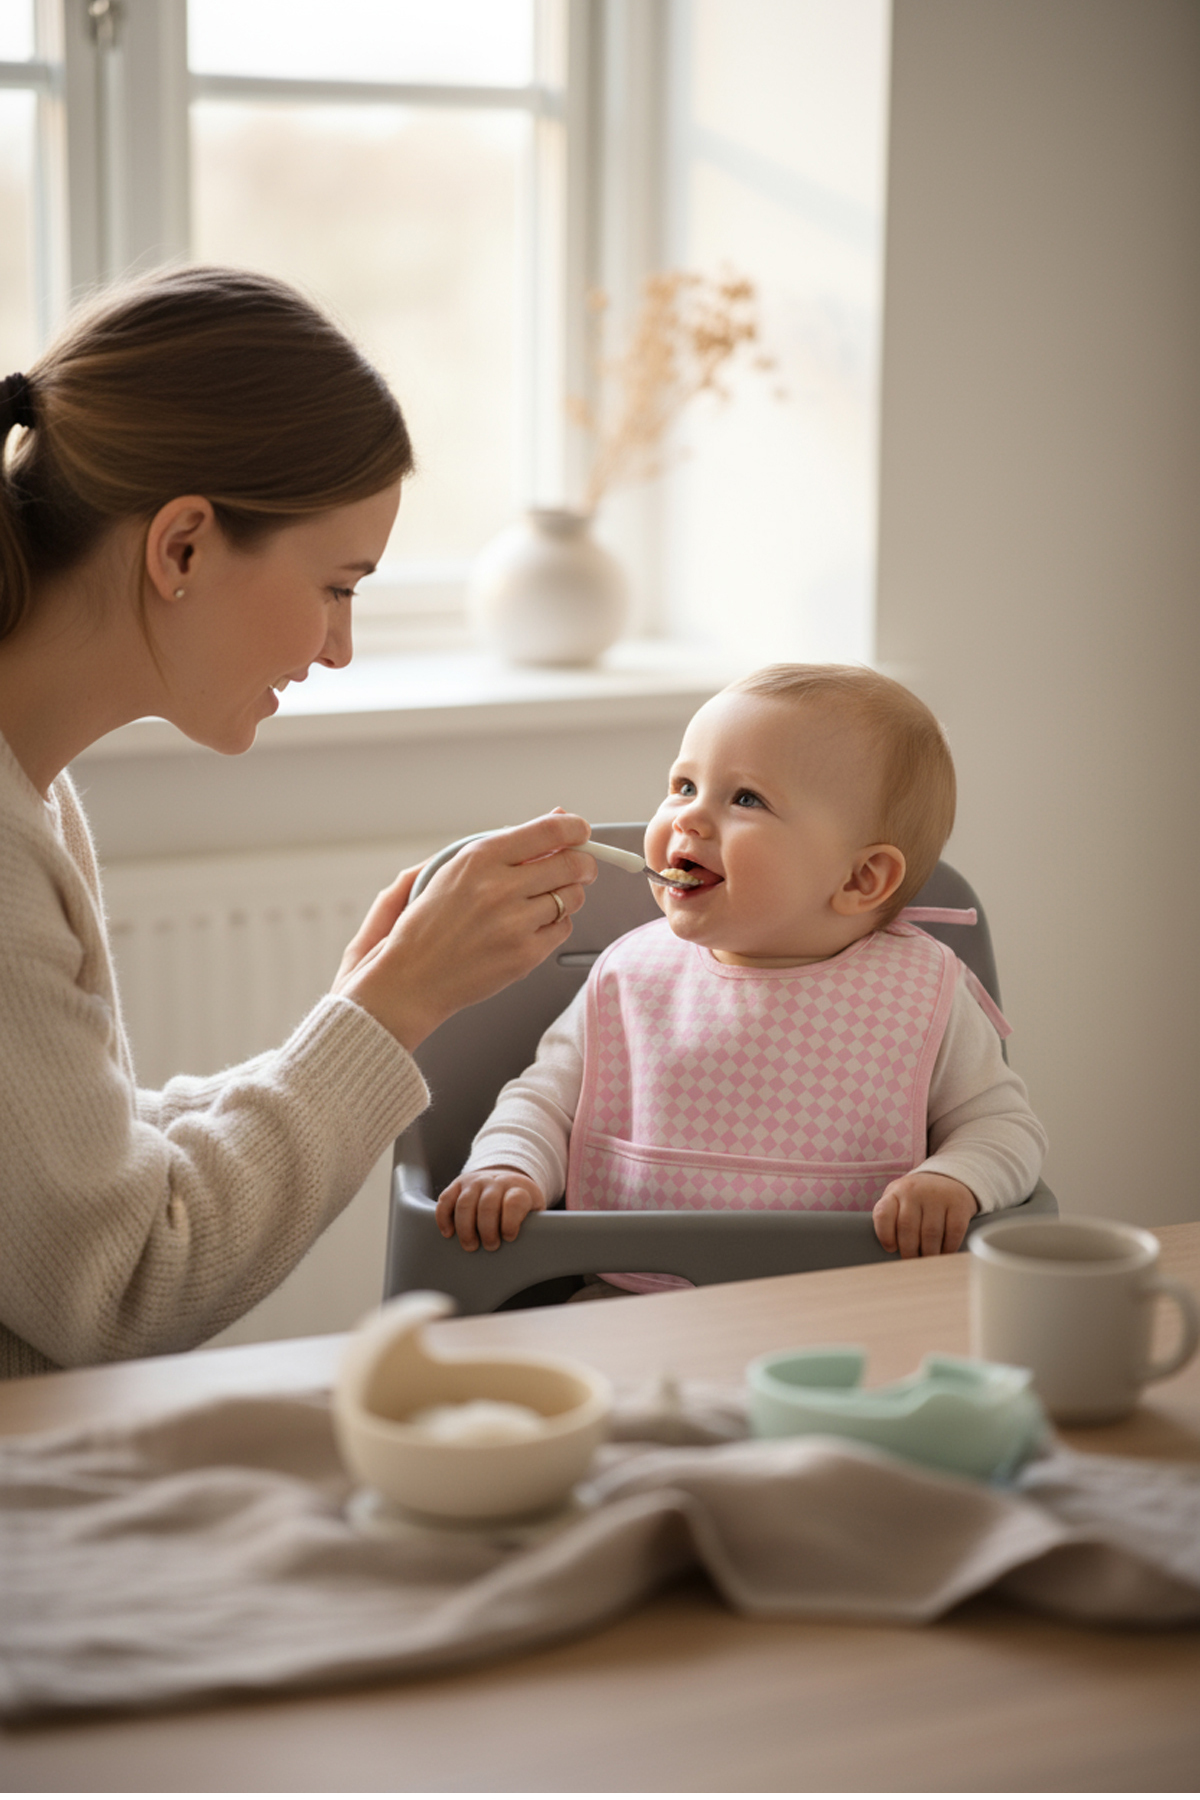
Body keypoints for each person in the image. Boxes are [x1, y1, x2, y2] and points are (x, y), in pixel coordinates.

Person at [0, 266, 596, 1377]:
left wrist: (351, 1016)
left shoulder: (33, 789)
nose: (339, 648)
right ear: (182, 546)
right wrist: (392, 1005)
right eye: (339, 586)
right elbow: (131, 1280)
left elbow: (68, 1168)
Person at [436, 663, 1048, 1287]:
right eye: (683, 785)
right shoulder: (631, 974)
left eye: (745, 799)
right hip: (629, 1302)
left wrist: (955, 1180)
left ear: (861, 879)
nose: (689, 818)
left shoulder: (921, 993)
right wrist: (509, 1167)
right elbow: (544, 1100)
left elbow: (1003, 1127)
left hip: (850, 1309)